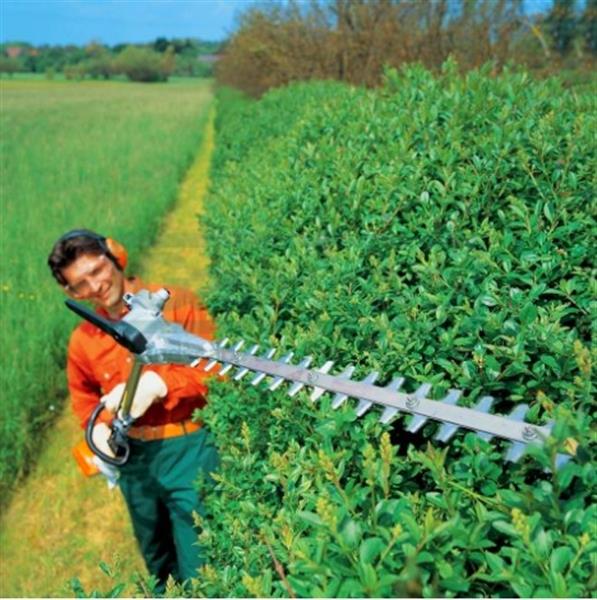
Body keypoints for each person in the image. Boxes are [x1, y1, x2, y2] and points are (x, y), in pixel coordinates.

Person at [47, 229, 219, 589]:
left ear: (115, 255)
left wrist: (160, 385)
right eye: (81, 284)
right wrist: (96, 429)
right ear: (71, 293)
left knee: (201, 558)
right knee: (156, 557)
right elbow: (84, 399)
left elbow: (215, 373)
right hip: (134, 462)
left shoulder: (179, 305)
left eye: (97, 270)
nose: (95, 286)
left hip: (187, 449)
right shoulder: (83, 341)